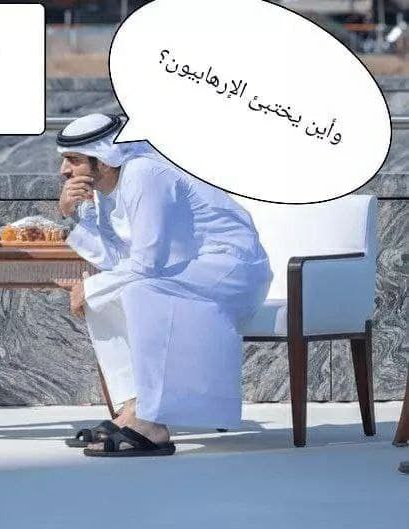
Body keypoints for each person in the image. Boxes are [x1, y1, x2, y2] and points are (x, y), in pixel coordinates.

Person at [56, 114, 272, 457]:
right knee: (104, 294)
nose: (64, 170)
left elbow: (146, 263)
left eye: (74, 159)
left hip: (231, 270)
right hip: (187, 269)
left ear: (104, 158)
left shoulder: (145, 174)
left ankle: (151, 424)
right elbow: (117, 258)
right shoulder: (113, 187)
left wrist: (91, 288)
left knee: (135, 291)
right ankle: (133, 407)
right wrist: (77, 212)